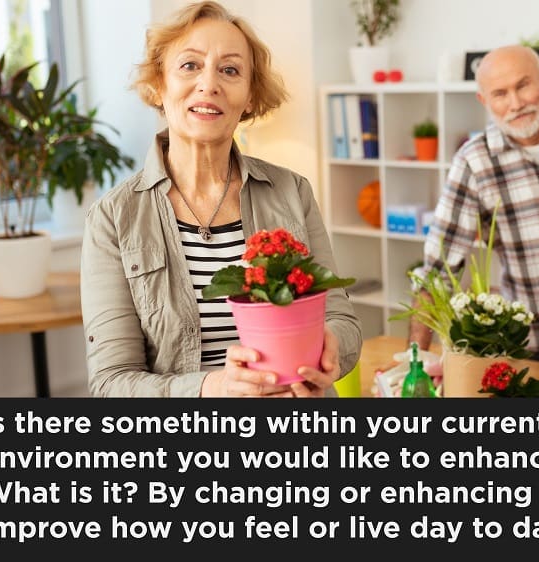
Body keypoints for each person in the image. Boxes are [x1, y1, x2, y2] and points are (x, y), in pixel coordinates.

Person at [81, 1, 361, 397]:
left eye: (230, 70)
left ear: (249, 96)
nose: (209, 84)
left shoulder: (292, 191)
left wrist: (331, 347)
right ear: (160, 84)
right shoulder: (113, 217)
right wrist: (212, 387)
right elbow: (111, 383)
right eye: (190, 65)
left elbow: (341, 317)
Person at [409, 45, 539, 367]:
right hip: (528, 345)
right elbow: (437, 272)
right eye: (500, 94)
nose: (516, 104)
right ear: (484, 101)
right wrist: (413, 362)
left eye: (523, 85)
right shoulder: (474, 162)